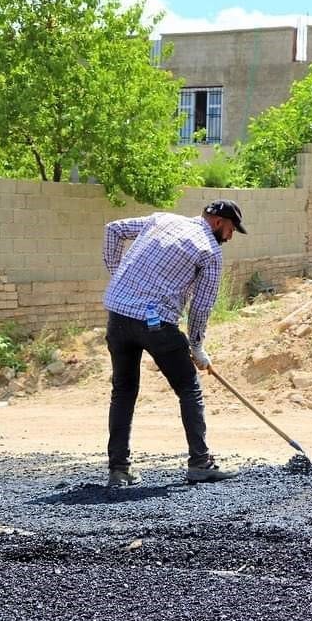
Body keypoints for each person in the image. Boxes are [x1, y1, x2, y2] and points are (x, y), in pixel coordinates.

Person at [102, 199, 248, 486]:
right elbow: (201, 307)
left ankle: (118, 470)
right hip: (156, 324)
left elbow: (113, 229)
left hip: (118, 316)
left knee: (124, 389)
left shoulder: (162, 220)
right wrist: (196, 347)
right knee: (188, 388)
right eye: (231, 229)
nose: (231, 236)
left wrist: (119, 276)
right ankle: (200, 463)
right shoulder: (209, 251)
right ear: (218, 222)